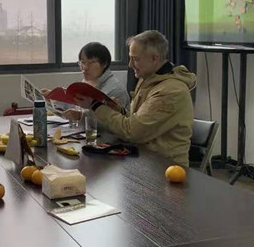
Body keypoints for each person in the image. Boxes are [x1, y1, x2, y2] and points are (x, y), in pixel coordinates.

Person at [75, 30, 196, 167]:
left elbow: (132, 132)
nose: (130, 65)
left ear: (154, 59)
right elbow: (139, 120)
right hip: (143, 160)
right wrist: (120, 111)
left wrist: (95, 105)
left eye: (136, 59)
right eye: (130, 58)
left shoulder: (171, 91)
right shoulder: (148, 80)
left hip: (165, 168)